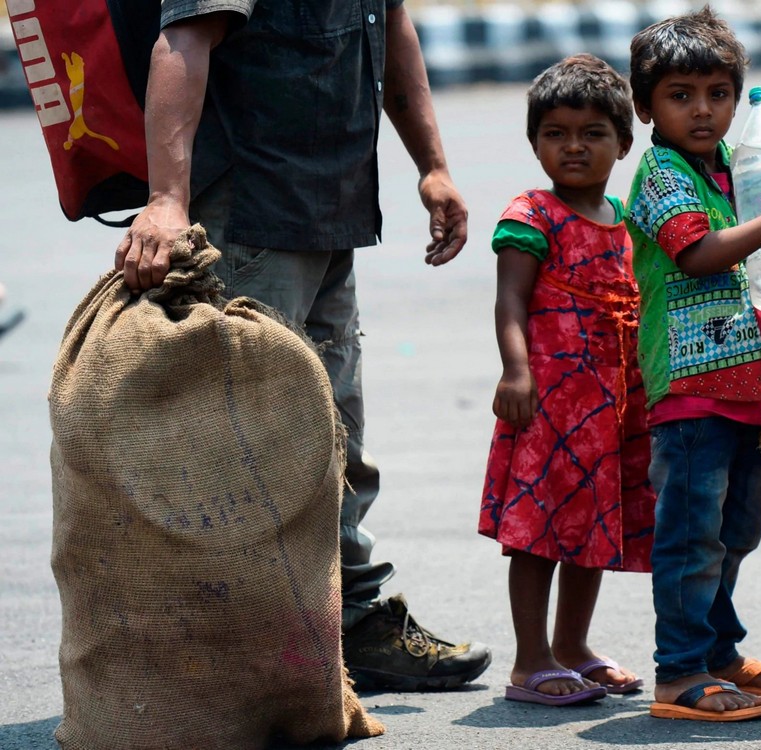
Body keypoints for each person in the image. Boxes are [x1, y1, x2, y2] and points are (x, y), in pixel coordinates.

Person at [112, 0, 492, 691]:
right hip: (249, 212)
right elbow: (184, 38)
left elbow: (391, 25)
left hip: (328, 210)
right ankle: (245, 651)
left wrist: (432, 166)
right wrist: (167, 198)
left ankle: (351, 625)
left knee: (332, 432)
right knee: (249, 446)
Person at [625, 7, 761, 722]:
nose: (703, 109)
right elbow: (696, 252)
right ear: (645, 104)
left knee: (734, 530)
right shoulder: (661, 172)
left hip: (754, 385)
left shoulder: (735, 171)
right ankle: (679, 673)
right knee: (690, 535)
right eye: (680, 95)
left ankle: (717, 650)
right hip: (691, 391)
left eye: (718, 93)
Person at [479, 53, 654, 707]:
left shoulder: (630, 220)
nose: (573, 147)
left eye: (592, 134)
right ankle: (531, 659)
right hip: (549, 402)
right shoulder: (532, 214)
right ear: (535, 142)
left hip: (615, 407)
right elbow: (509, 304)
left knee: (591, 526)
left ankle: (574, 646)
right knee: (540, 530)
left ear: (623, 142)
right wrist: (516, 371)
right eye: (556, 134)